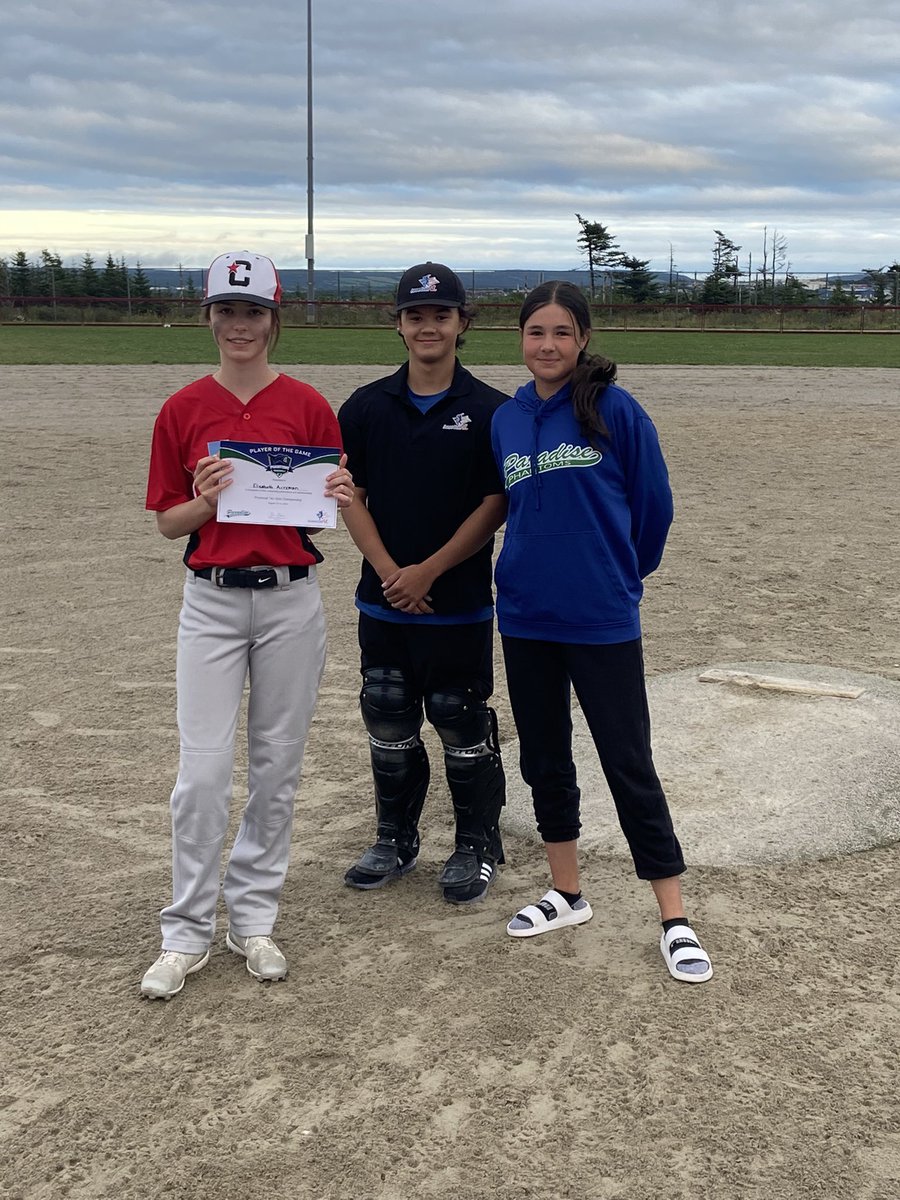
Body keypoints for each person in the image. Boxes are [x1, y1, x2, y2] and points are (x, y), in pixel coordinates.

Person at [140, 251, 354, 1000]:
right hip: (214, 598)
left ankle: (253, 918)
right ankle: (185, 930)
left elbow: (330, 502)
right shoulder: (183, 408)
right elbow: (170, 522)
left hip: (292, 597)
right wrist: (205, 501)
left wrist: (341, 492)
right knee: (201, 774)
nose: (240, 324)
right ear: (209, 317)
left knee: (276, 768)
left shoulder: (306, 404)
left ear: (274, 319)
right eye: (227, 310)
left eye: (253, 310)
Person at [490, 280, 713, 983]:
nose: (548, 345)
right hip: (526, 616)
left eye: (561, 332)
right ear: (520, 340)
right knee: (546, 759)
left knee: (628, 761)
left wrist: (618, 574)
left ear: (583, 339)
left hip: (601, 619)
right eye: (536, 332)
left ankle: (673, 917)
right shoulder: (507, 418)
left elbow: (654, 510)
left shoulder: (616, 409)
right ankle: (567, 892)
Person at [338, 262, 508, 904]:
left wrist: (430, 570)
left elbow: (497, 501)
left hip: (458, 600)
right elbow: (345, 491)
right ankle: (395, 836)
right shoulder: (367, 406)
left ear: (463, 324)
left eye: (441, 315)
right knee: (387, 712)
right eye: (415, 315)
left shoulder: (491, 410)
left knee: (459, 716)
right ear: (399, 326)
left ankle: (476, 844)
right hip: (383, 599)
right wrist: (390, 572)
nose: (427, 326)